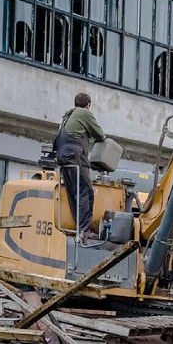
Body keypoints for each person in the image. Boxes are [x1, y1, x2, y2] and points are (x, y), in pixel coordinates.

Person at [54, 92, 106, 239]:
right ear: (88, 105)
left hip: (62, 157)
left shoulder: (67, 116)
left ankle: (79, 228)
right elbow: (100, 134)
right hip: (74, 156)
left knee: (73, 194)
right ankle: (84, 230)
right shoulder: (84, 113)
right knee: (86, 192)